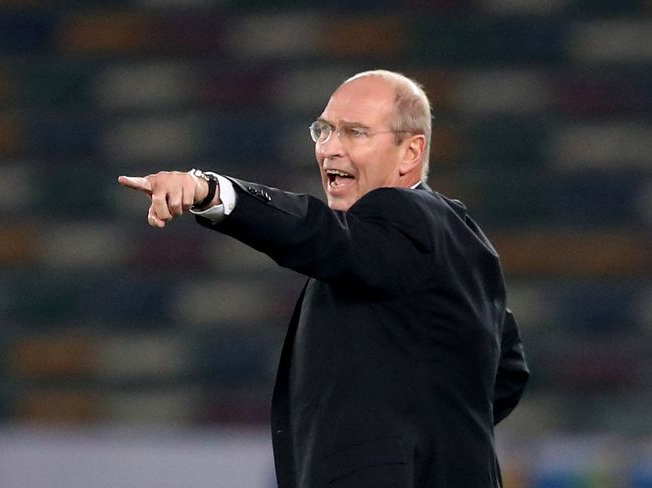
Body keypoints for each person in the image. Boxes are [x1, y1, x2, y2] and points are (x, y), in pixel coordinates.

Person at [118, 70, 529, 488]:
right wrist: (432, 435)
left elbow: (317, 233)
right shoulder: (467, 241)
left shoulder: (403, 216)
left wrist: (210, 191)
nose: (330, 148)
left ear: (410, 152)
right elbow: (507, 370)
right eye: (324, 130)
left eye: (355, 133)